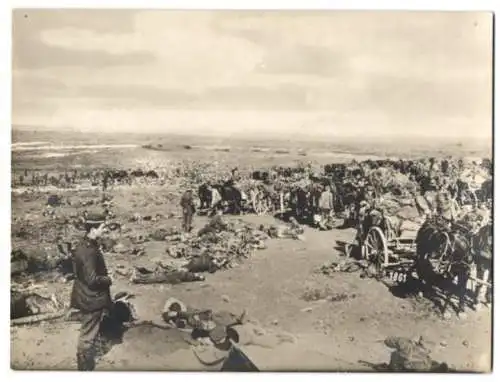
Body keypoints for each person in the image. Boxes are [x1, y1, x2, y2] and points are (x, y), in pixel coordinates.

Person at [70, 214, 112, 371]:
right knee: (88, 334)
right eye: (103, 227)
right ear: (93, 229)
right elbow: (92, 279)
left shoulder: (85, 245)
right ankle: (85, 368)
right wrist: (108, 279)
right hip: (91, 298)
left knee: (88, 330)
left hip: (84, 295)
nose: (105, 230)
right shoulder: (89, 251)